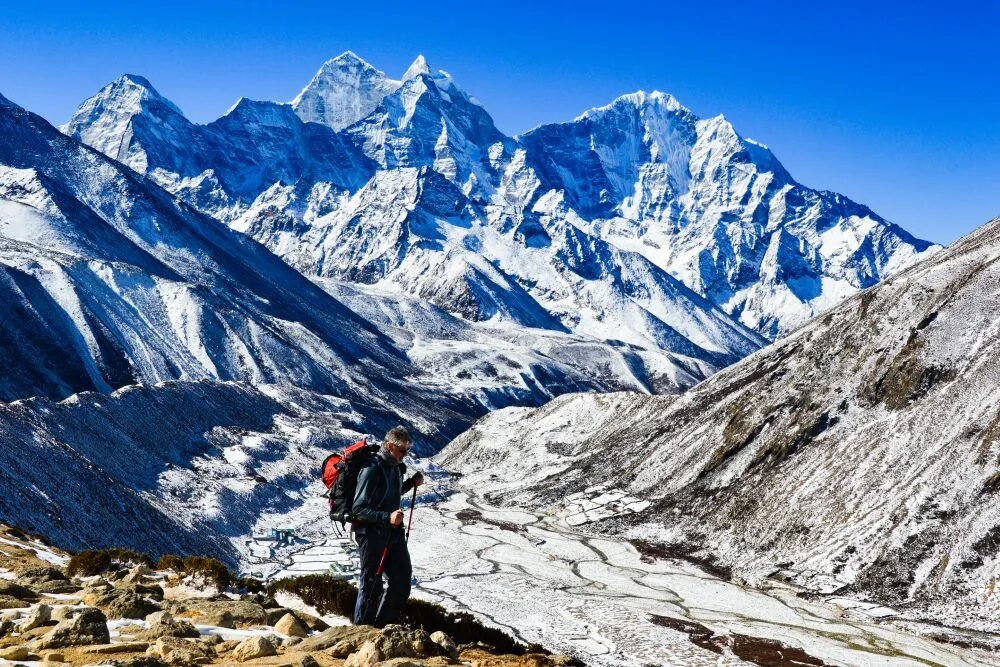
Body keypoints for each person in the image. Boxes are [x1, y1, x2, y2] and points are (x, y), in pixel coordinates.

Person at [352, 425, 424, 626]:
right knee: (371, 585)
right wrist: (387, 517)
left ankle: (381, 628)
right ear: (390, 446)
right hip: (371, 533)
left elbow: (391, 493)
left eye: (407, 450)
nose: (406, 454)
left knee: (401, 581)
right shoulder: (372, 468)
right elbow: (358, 508)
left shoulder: (394, 467)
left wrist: (410, 483)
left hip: (392, 532)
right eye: (402, 450)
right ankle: (361, 633)